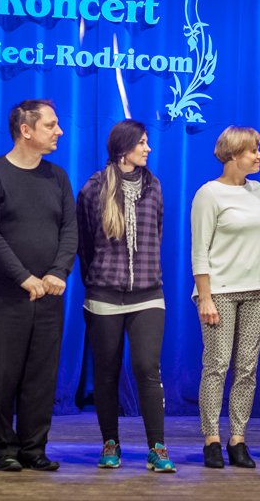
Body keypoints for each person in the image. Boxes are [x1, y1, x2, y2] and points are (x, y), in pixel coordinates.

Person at [0, 99, 77, 471]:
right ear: (26, 130)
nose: (59, 131)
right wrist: (24, 277)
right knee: (1, 376)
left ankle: (34, 448)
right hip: (1, 297)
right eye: (51, 125)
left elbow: (69, 230)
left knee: (41, 377)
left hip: (48, 295)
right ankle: (4, 450)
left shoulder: (58, 177)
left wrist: (58, 272)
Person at [76, 119, 174, 473]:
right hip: (103, 295)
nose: (148, 148)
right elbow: (84, 242)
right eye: (142, 143)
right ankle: (110, 442)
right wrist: (99, 277)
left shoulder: (154, 187)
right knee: (106, 372)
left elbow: (157, 235)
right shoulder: (94, 188)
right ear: (123, 149)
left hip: (149, 294)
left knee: (148, 368)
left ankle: (157, 447)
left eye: (148, 143)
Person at [191, 126, 260, 469]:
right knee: (216, 366)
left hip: (257, 290)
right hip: (221, 292)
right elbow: (199, 250)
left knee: (247, 368)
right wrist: (205, 297)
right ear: (232, 154)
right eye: (253, 151)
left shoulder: (257, 191)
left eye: (259, 150)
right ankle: (211, 438)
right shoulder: (208, 194)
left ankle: (238, 439)